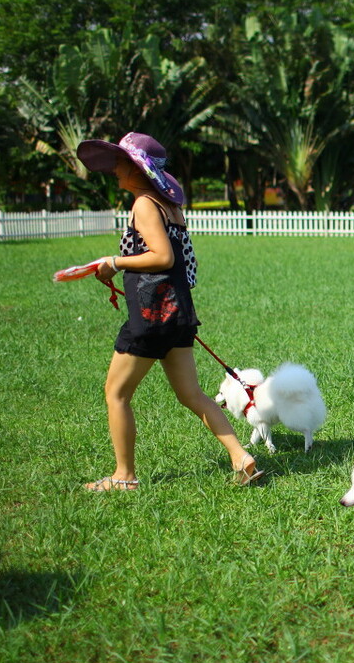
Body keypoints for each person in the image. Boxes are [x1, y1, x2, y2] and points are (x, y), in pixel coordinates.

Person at [75, 132, 264, 491]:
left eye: (120, 163)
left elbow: (164, 257)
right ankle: (241, 457)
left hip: (151, 316)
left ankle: (123, 477)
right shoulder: (169, 207)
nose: (114, 170)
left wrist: (113, 262)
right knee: (192, 395)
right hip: (177, 314)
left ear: (136, 168)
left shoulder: (145, 204)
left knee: (116, 394)